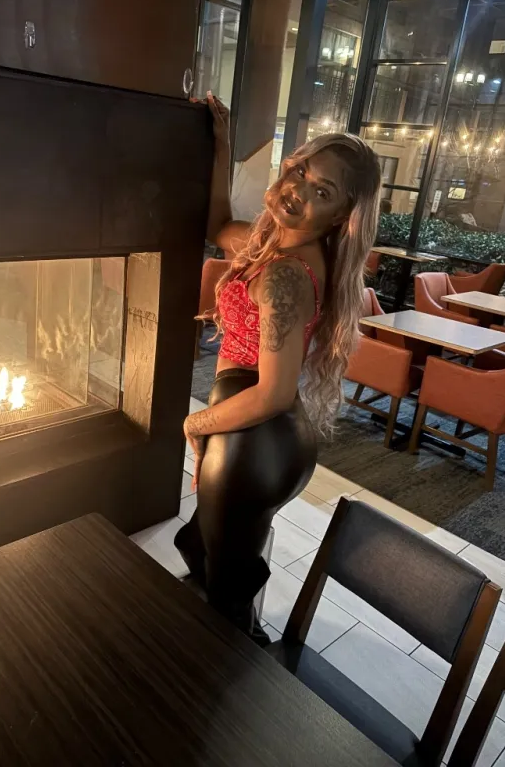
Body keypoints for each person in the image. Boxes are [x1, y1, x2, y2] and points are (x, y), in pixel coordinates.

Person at [175, 92, 381, 645]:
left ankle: (228, 679)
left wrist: (195, 423)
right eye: (301, 172)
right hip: (258, 431)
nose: (298, 191)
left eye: (322, 192)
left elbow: (272, 392)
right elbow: (218, 222)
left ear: (340, 216)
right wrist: (221, 142)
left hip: (257, 432)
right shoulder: (269, 244)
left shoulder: (288, 272)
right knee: (209, 556)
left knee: (224, 591)